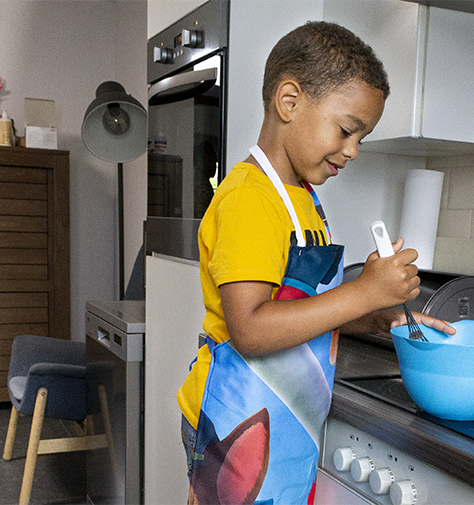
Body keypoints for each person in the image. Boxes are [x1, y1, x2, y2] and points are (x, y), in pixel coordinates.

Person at [177, 21, 455, 505]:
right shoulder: (249, 198)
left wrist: (378, 314)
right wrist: (362, 291)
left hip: (287, 418)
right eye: (346, 130)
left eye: (361, 139)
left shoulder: (301, 199)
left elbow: (308, 311)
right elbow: (251, 328)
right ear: (289, 101)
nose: (351, 151)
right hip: (236, 418)